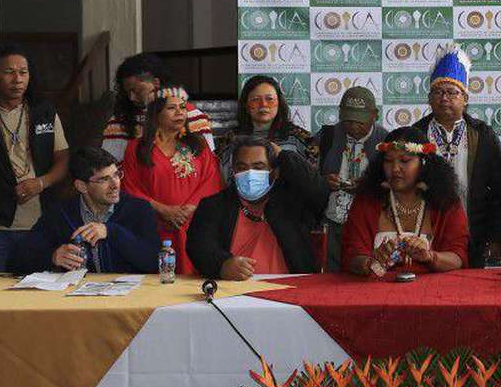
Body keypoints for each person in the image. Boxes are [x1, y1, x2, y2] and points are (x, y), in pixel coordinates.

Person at [412, 44, 501, 267]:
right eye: (438, 92)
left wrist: (497, 237)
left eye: (452, 92)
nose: (445, 98)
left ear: (465, 98)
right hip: (426, 234)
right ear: (429, 99)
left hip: (474, 234)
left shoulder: (482, 134)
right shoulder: (416, 134)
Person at [188, 135, 330, 280]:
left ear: (274, 171)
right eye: (242, 167)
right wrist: (222, 264)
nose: (250, 173)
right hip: (233, 291)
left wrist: (284, 155)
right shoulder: (214, 205)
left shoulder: (292, 201)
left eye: (258, 167)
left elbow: (320, 191)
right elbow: (199, 246)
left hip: (290, 288)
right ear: (233, 172)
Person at [342, 127, 469, 277]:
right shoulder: (367, 201)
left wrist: (430, 257)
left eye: (405, 161)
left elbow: (458, 257)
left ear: (423, 163)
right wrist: (370, 262)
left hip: (434, 294)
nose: (395, 168)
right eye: (388, 161)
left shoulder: (446, 201)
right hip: (376, 292)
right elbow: (351, 256)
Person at [121, 86, 222, 274]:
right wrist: (162, 209)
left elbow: (212, 179)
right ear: (156, 113)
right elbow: (129, 187)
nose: (179, 112)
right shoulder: (137, 148)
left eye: (182, 107)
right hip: (154, 225)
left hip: (194, 224)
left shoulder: (198, 144)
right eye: (171, 108)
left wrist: (190, 207)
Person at [12, 147, 159, 273]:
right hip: (77, 301)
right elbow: (17, 259)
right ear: (81, 186)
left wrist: (112, 232)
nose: (115, 185)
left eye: (116, 175)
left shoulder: (139, 209)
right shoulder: (60, 214)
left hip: (128, 299)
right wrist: (51, 256)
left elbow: (153, 262)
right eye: (104, 179)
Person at [0, 44, 70, 271]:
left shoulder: (43, 111)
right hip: (0, 228)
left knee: (37, 291)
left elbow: (63, 158)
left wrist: (41, 182)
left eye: (23, 72)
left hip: (40, 224)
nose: (17, 79)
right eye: (9, 72)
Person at [313, 86, 388, 272]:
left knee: (365, 276)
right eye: (348, 120)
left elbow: (397, 184)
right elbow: (309, 178)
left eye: (360, 121)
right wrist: (323, 182)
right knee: (330, 277)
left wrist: (369, 186)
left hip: (369, 225)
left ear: (375, 115)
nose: (353, 126)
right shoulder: (326, 137)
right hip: (331, 222)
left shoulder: (386, 141)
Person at [102, 52, 214, 162]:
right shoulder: (119, 122)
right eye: (128, 92)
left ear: (156, 83)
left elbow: (207, 165)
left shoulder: (193, 117)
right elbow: (110, 165)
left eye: (137, 91)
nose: (132, 98)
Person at [218, 75, 317, 181]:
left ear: (279, 103)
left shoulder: (299, 138)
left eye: (269, 99)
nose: (263, 104)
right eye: (255, 99)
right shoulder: (230, 140)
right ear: (246, 105)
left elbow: (312, 182)